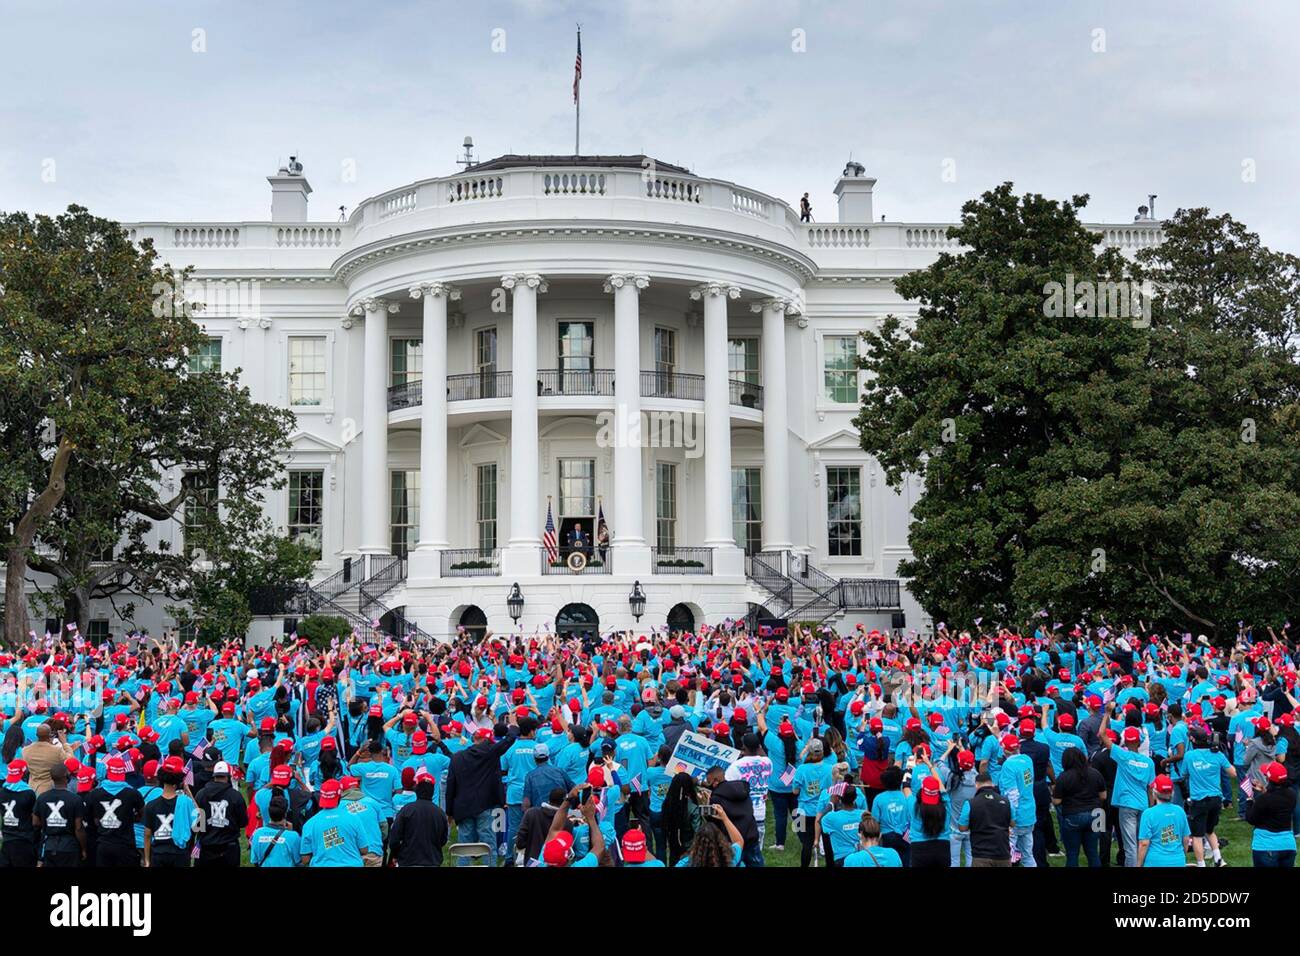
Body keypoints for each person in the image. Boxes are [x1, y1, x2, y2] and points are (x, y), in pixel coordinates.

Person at [445, 724, 516, 866]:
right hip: (484, 805)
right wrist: (512, 724)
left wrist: (449, 811)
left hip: (464, 806)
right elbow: (510, 738)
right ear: (485, 741)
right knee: (488, 844)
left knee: (464, 846)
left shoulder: (458, 757)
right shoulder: (489, 753)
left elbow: (450, 786)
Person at [1184, 726, 1233, 867]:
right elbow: (1233, 773)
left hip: (1199, 801)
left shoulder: (1189, 756)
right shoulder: (1217, 755)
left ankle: (1201, 864)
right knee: (1210, 830)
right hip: (1216, 799)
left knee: (1198, 836)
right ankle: (1218, 859)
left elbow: (1184, 773)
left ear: (1192, 740)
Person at [84, 755, 145, 866]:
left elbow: (89, 819)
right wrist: (130, 818)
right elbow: (142, 814)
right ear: (123, 772)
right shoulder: (133, 793)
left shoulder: (94, 794)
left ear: (108, 773)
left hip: (103, 844)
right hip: (125, 845)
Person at [1052, 747, 1107, 867]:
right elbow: (1103, 796)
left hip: (1073, 815)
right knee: (1093, 853)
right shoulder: (1095, 773)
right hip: (1096, 815)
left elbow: (1056, 801)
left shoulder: (1064, 777)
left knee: (1072, 854)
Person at [300, 779, 375, 867]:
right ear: (339, 796)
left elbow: (305, 859)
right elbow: (364, 849)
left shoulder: (310, 824)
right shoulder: (353, 818)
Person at [388, 768, 449, 867]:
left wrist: (395, 854)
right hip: (432, 861)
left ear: (416, 789)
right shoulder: (440, 813)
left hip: (408, 861)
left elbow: (394, 838)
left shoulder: (406, 810)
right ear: (433, 791)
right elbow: (443, 840)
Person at [143, 756, 196, 868]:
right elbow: (199, 821)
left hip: (158, 855)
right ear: (179, 780)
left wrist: (147, 860)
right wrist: (189, 792)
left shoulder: (150, 805)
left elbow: (147, 834)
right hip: (180, 855)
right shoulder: (186, 802)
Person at [1245, 761, 1297, 868]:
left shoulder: (1264, 799)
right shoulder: (1292, 794)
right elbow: (1277, 801)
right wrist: (1264, 791)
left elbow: (1251, 818)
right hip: (1288, 845)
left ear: (1268, 779)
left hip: (1266, 847)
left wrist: (1249, 800)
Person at [33, 762, 85, 866]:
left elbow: (35, 822)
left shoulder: (42, 798)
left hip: (48, 845)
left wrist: (49, 825)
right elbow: (78, 828)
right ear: (67, 777)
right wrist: (84, 848)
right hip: (69, 846)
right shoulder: (75, 799)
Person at [1136, 774, 1190, 867]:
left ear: (1154, 792)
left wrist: (1138, 864)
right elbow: (1186, 839)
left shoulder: (1148, 813)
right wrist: (1181, 856)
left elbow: (1144, 843)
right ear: (1172, 792)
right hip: (1178, 861)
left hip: (1155, 862)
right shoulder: (1180, 811)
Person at [961, 772, 1012, 867]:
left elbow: (962, 827)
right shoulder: (1006, 801)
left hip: (981, 855)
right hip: (1003, 853)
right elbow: (1013, 823)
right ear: (992, 784)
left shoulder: (970, 804)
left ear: (976, 785)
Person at [0, 759, 38, 867]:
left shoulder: (2, 792)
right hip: (24, 840)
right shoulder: (28, 793)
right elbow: (34, 818)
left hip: (7, 840)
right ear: (24, 773)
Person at [249, 791, 301, 867]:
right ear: (285, 813)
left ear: (269, 812)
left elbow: (255, 860)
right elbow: (298, 860)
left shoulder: (257, 834)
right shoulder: (293, 836)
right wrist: (290, 832)